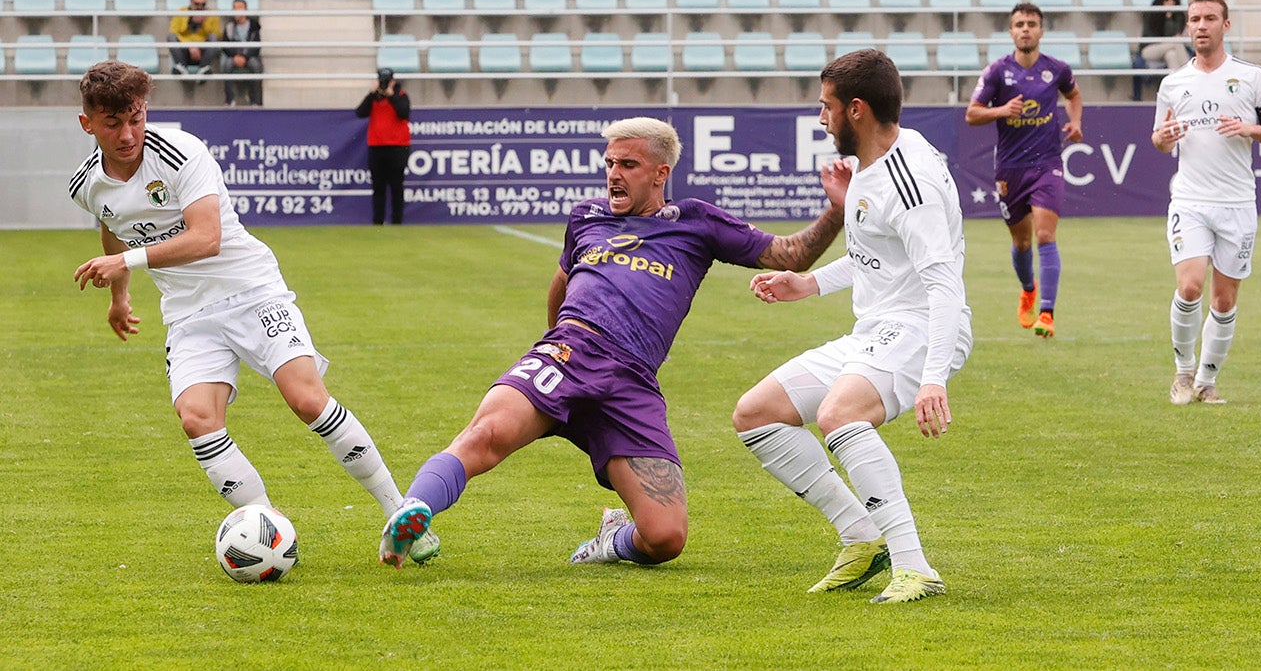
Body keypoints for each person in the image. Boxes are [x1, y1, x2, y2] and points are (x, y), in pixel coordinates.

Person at [377, 116, 850, 570]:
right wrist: (556, 338)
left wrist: (836, 210)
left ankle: (612, 540)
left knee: (665, 537)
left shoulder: (696, 222)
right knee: (485, 436)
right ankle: (413, 513)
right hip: (571, 351)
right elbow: (563, 280)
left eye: (628, 165)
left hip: (632, 382)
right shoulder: (586, 218)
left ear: (661, 172)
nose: (613, 175)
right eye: (609, 164)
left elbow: (792, 253)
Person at [67, 60, 439, 564]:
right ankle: (268, 533)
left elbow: (206, 237)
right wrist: (120, 295)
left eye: (135, 117)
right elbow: (113, 223)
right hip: (189, 316)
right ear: (88, 122)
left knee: (307, 399)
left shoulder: (181, 152)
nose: (129, 133)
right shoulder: (87, 183)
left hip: (251, 290)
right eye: (113, 124)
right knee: (197, 419)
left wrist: (124, 260)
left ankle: (400, 517)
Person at [734, 50, 973, 605]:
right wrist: (808, 283)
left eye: (826, 107)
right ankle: (862, 538)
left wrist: (933, 378)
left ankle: (914, 567)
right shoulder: (875, 161)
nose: (822, 119)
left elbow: (943, 288)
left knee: (839, 414)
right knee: (756, 413)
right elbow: (877, 255)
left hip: (921, 328)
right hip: (878, 327)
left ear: (857, 110)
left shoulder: (910, 183)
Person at [1151, 0, 1261, 405]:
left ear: (1225, 25)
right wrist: (1164, 137)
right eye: (1194, 19)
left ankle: (1208, 380)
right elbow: (1158, 139)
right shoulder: (1173, 83)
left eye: (1209, 19)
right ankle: (1182, 373)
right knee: (1190, 286)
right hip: (1190, 200)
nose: (1201, 26)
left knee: (1224, 299)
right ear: (1187, 26)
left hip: (1237, 203)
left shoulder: (1251, 77)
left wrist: (1250, 129)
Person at [965, 2, 1083, 339]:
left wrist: (1075, 122)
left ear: (1041, 31)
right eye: (1019, 24)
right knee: (1021, 242)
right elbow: (972, 114)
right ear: (1011, 31)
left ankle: (1047, 313)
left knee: (1045, 234)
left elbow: (1073, 95)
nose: (1026, 29)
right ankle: (1028, 288)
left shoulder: (1057, 69)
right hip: (1010, 168)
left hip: (1047, 164)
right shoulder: (997, 72)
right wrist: (1002, 110)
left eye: (1032, 23)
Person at [354, 68, 411, 225]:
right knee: (378, 187)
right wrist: (371, 94)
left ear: (393, 81)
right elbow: (360, 112)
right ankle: (377, 221)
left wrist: (391, 95)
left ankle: (397, 221)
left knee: (396, 186)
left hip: (398, 147)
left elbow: (404, 112)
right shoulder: (374, 99)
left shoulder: (401, 96)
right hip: (377, 147)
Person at [1133, 0, 1188, 101]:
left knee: (1171, 55)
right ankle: (1189, 74)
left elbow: (1175, 34)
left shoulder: (1179, 16)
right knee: (1177, 42)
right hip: (1150, 50)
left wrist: (1170, 18)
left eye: (1173, 0)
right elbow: (1152, 38)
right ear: (1160, 1)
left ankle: (1178, 92)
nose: (1170, 3)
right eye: (1166, 0)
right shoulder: (1152, 15)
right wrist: (1166, 19)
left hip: (1170, 50)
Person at [167, 0, 220, 78]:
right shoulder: (182, 12)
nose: (199, 7)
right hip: (185, 50)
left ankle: (203, 69)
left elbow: (218, 35)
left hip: (202, 51)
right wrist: (190, 46)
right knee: (171, 37)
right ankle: (181, 67)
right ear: (191, 2)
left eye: (203, 4)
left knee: (213, 37)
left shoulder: (211, 14)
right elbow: (173, 31)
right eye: (196, 4)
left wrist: (205, 23)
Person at [219, 0, 262, 107]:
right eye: (235, 8)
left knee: (256, 65)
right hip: (234, 56)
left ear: (246, 10)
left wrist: (245, 57)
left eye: (240, 7)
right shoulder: (229, 27)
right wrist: (235, 56)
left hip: (249, 56)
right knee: (227, 64)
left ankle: (254, 100)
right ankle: (229, 100)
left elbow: (256, 46)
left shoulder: (254, 26)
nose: (237, 11)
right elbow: (225, 46)